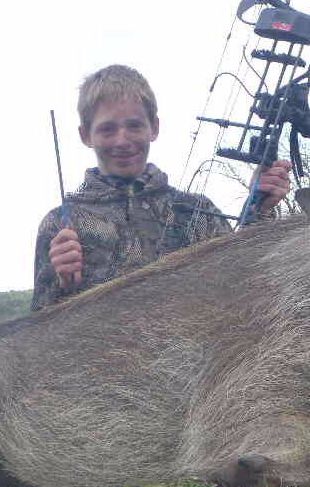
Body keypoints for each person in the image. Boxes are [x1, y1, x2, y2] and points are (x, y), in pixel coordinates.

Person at [32, 65, 291, 311]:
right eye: (107, 129)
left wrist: (261, 209)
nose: (122, 140)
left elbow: (243, 279)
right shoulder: (60, 226)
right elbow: (40, 332)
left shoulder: (198, 211)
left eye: (134, 125)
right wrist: (62, 285)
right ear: (85, 135)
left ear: (154, 127)